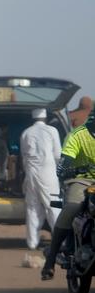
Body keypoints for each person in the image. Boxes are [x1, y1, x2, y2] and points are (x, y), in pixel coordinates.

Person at [41, 111, 95, 280]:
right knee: (72, 207)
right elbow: (61, 168)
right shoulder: (77, 136)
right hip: (82, 181)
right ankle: (50, 260)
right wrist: (74, 168)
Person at [20, 108, 62, 251]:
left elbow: (23, 156)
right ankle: (60, 242)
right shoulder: (52, 131)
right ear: (46, 118)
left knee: (32, 207)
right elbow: (57, 155)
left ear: (33, 119)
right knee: (53, 206)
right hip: (48, 172)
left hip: (31, 172)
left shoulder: (26, 132)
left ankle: (32, 243)